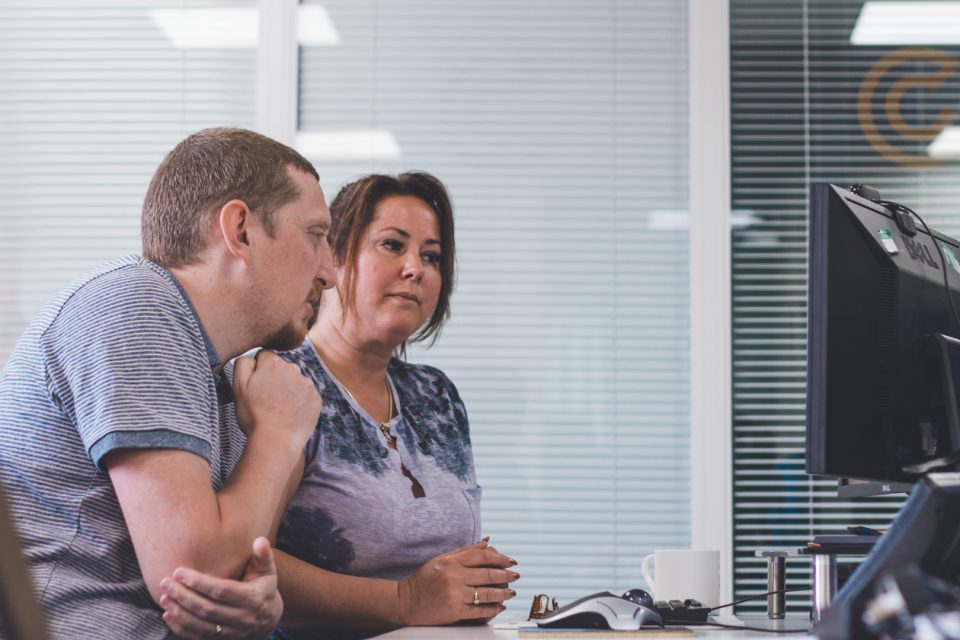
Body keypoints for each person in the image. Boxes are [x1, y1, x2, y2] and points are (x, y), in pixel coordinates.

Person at [0, 127, 335, 640]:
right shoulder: (137, 305)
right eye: (316, 235)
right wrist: (279, 434)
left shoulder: (225, 380)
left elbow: (231, 588)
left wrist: (260, 608)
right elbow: (195, 571)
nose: (330, 272)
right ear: (241, 230)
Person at [160, 172, 520, 638]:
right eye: (393, 245)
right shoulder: (276, 382)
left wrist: (474, 584)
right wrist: (406, 599)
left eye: (431, 256)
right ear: (333, 256)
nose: (416, 268)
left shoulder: (438, 396)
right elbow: (245, 560)